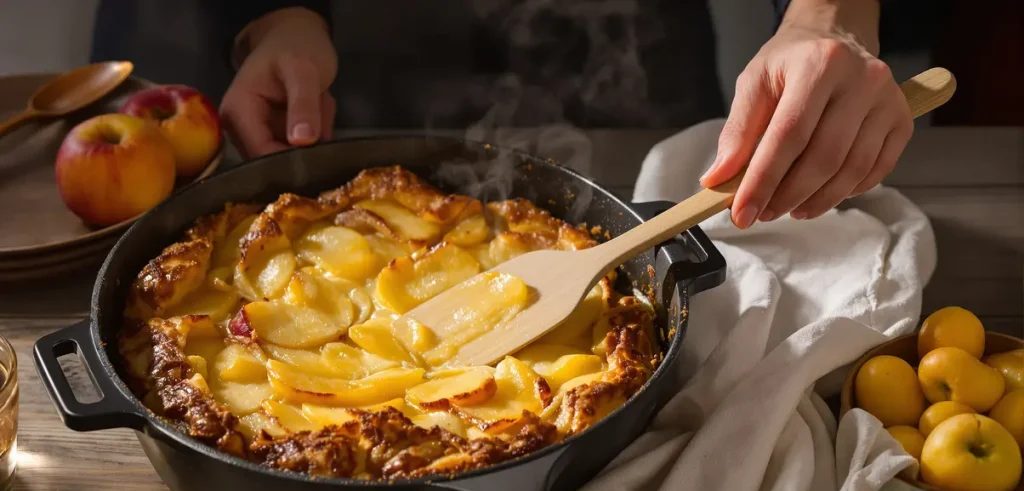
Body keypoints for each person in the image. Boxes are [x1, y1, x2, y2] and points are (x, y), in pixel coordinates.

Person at [91, 0, 916, 229]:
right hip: (357, 74)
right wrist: (279, 15)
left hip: (628, 78)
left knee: (645, 197)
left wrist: (826, 14)